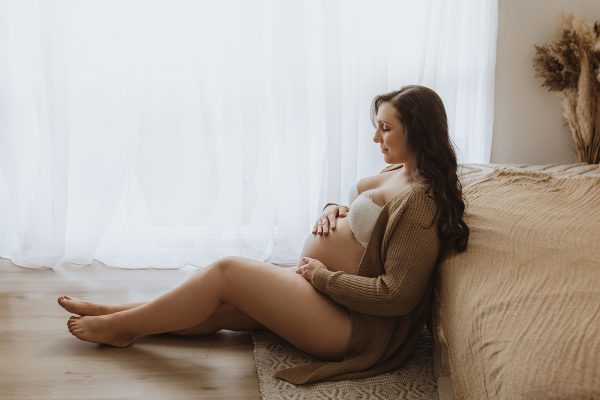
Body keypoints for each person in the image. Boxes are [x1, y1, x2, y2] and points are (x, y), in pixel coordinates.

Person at [57, 85, 469, 385]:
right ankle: (116, 313)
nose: (376, 138)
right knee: (217, 308)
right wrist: (333, 209)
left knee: (227, 272)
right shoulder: (399, 171)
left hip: (352, 327)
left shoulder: (421, 203)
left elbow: (398, 295)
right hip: (327, 297)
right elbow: (366, 219)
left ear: (416, 131)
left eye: (385, 129)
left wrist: (320, 276)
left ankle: (122, 328)